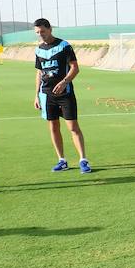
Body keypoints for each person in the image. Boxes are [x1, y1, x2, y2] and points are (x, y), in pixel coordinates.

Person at [33, 18, 91, 174]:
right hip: (46, 95)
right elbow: (39, 72)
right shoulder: (38, 49)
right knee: (53, 127)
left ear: (50, 29)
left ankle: (83, 160)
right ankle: (62, 160)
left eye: (43, 31)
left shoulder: (64, 46)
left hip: (65, 94)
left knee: (73, 127)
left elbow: (75, 68)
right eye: (38, 33)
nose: (41, 35)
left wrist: (65, 82)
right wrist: (36, 95)